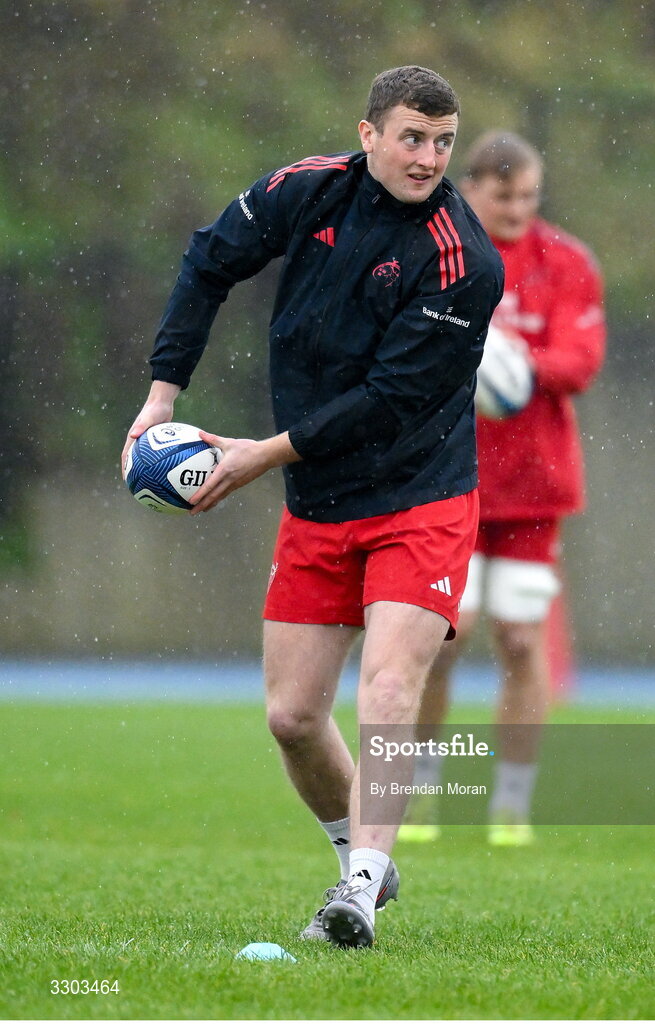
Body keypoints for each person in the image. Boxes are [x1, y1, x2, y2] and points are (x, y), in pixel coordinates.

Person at [121, 67, 503, 948]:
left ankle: (360, 891)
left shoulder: (463, 259)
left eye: (443, 142)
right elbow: (208, 259)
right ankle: (360, 862)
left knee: (390, 684)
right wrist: (161, 397)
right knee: (292, 716)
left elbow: (387, 398)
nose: (428, 157)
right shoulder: (307, 191)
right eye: (412, 137)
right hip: (322, 501)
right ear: (368, 134)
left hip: (421, 494)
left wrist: (260, 455)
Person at [398, 130, 606, 847]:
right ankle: (420, 795)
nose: (519, 208)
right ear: (476, 188)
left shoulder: (567, 262)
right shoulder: (440, 252)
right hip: (448, 478)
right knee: (442, 639)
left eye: (530, 196)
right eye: (505, 194)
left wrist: (510, 361)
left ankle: (510, 806)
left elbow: (580, 360)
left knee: (519, 641)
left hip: (535, 489)